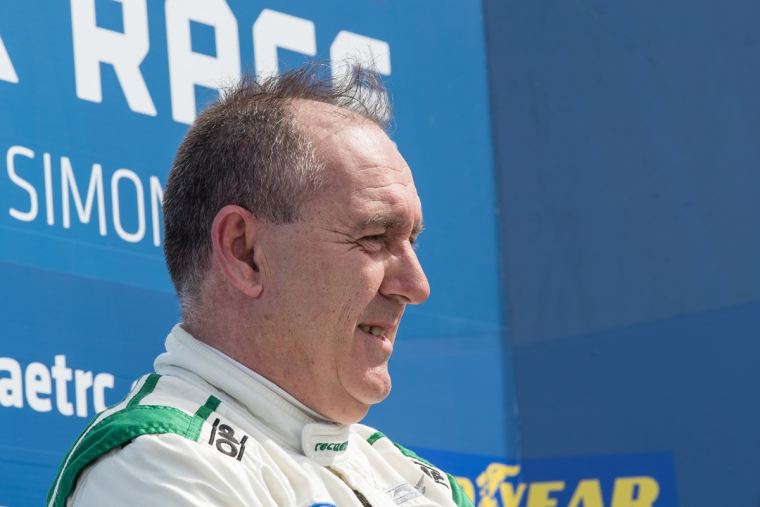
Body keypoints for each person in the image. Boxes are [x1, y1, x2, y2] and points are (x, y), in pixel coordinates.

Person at [47, 64, 472, 507]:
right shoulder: (158, 461)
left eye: (411, 241)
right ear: (245, 252)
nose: (416, 285)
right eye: (374, 237)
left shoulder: (420, 483)